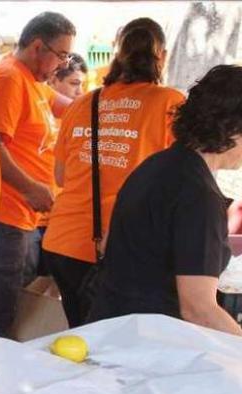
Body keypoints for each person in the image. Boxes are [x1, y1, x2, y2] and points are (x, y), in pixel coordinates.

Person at [42, 19, 184, 327]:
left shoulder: (82, 104)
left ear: (115, 57)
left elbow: (62, 177)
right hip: (122, 247)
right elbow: (181, 181)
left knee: (83, 338)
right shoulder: (170, 104)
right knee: (117, 347)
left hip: (64, 242)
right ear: (162, 56)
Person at [88, 64, 242, 336]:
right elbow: (198, 310)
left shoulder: (158, 164)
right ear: (233, 129)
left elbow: (112, 242)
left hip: (111, 325)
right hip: (146, 340)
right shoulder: (198, 194)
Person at [0, 12, 76, 383]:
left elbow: (70, 107)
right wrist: (31, 187)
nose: (63, 64)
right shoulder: (7, 79)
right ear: (36, 46)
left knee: (12, 303)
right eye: (60, 56)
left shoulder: (33, 82)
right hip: (4, 216)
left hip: (25, 218)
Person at [24, 52, 90, 285]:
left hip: (58, 223)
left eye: (82, 85)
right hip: (31, 220)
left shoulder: (78, 120)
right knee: (25, 297)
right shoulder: (38, 115)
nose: (79, 91)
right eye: (74, 83)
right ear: (53, 82)